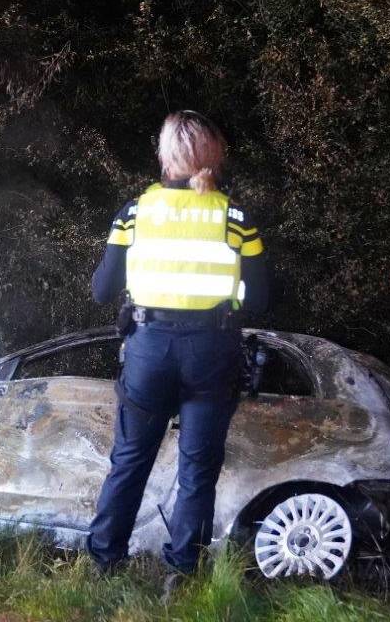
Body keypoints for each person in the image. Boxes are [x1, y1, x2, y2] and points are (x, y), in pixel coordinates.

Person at [87, 110, 269, 592]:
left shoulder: (134, 213)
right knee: (197, 467)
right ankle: (182, 575)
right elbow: (262, 295)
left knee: (129, 459)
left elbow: (103, 289)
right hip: (213, 350)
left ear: (165, 157)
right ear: (212, 156)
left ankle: (105, 563)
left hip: (150, 349)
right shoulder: (234, 217)